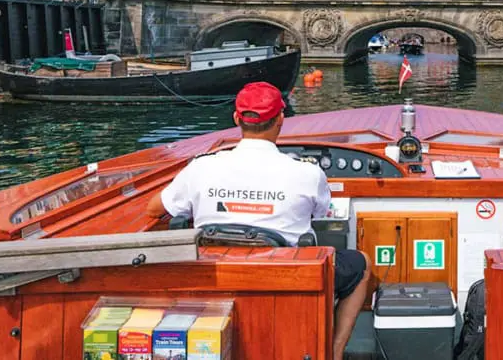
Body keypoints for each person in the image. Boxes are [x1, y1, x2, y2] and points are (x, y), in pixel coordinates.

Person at [146, 82, 370, 360]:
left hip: (214, 276)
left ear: (237, 119)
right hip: (285, 280)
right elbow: (321, 214)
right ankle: (332, 354)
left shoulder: (202, 167)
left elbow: (155, 208)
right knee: (360, 264)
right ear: (280, 120)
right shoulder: (307, 174)